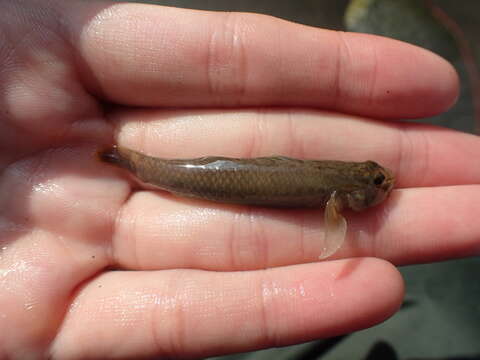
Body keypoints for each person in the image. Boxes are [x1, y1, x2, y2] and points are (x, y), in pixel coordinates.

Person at [0, 0, 477, 358]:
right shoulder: (339, 192)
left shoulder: (338, 186)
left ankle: (132, 163)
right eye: (375, 182)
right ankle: (130, 162)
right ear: (345, 193)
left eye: (376, 181)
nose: (382, 183)